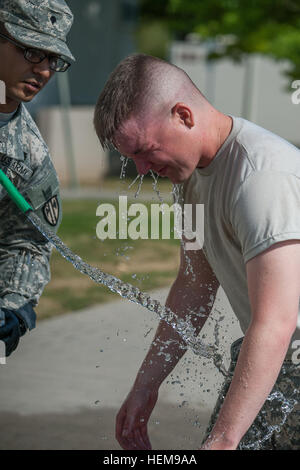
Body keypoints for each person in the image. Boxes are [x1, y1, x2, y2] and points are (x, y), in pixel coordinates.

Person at [93, 54, 300, 450]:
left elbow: (275, 324)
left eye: (145, 150)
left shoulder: (261, 180)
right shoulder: (190, 181)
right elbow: (194, 283)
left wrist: (223, 440)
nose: (140, 170)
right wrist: (146, 385)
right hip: (283, 361)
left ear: (184, 116)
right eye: (131, 157)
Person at [0, 0, 75, 358]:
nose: (44, 71)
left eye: (52, 60)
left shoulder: (29, 156)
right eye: (32, 52)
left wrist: (14, 310)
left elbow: (27, 241)